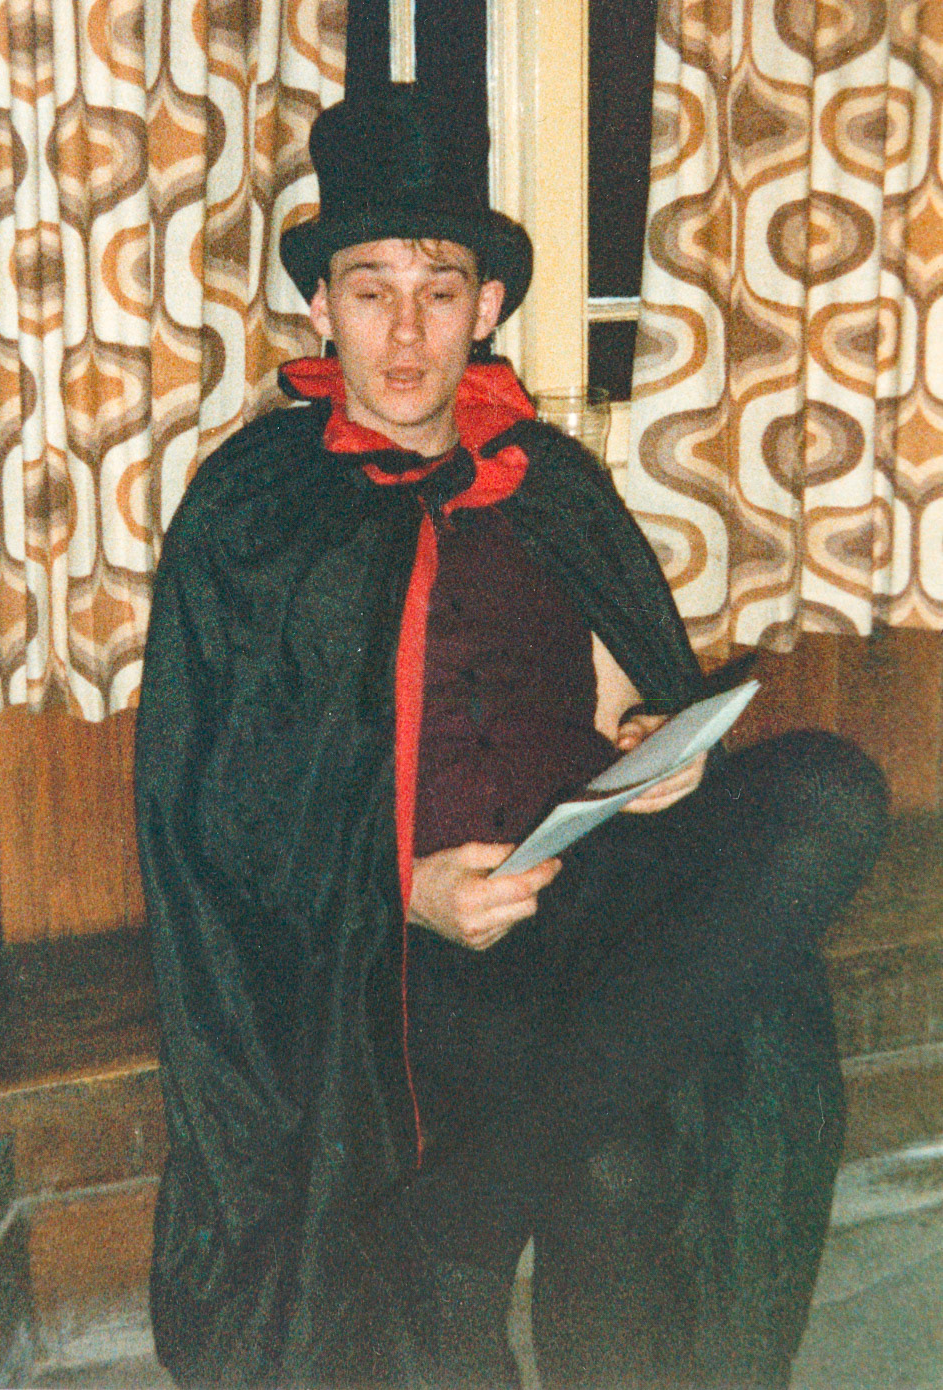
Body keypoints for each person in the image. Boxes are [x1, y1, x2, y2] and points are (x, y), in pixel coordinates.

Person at [135, 85, 889, 1389]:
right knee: (615, 1144)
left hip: (582, 876)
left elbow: (621, 689)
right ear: (322, 309)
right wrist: (401, 885)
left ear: (486, 308)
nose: (407, 325)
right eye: (371, 288)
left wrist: (657, 741)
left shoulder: (552, 481)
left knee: (826, 790)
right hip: (388, 944)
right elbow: (216, 802)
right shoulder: (248, 510)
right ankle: (483, 1202)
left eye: (440, 286)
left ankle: (468, 1204)